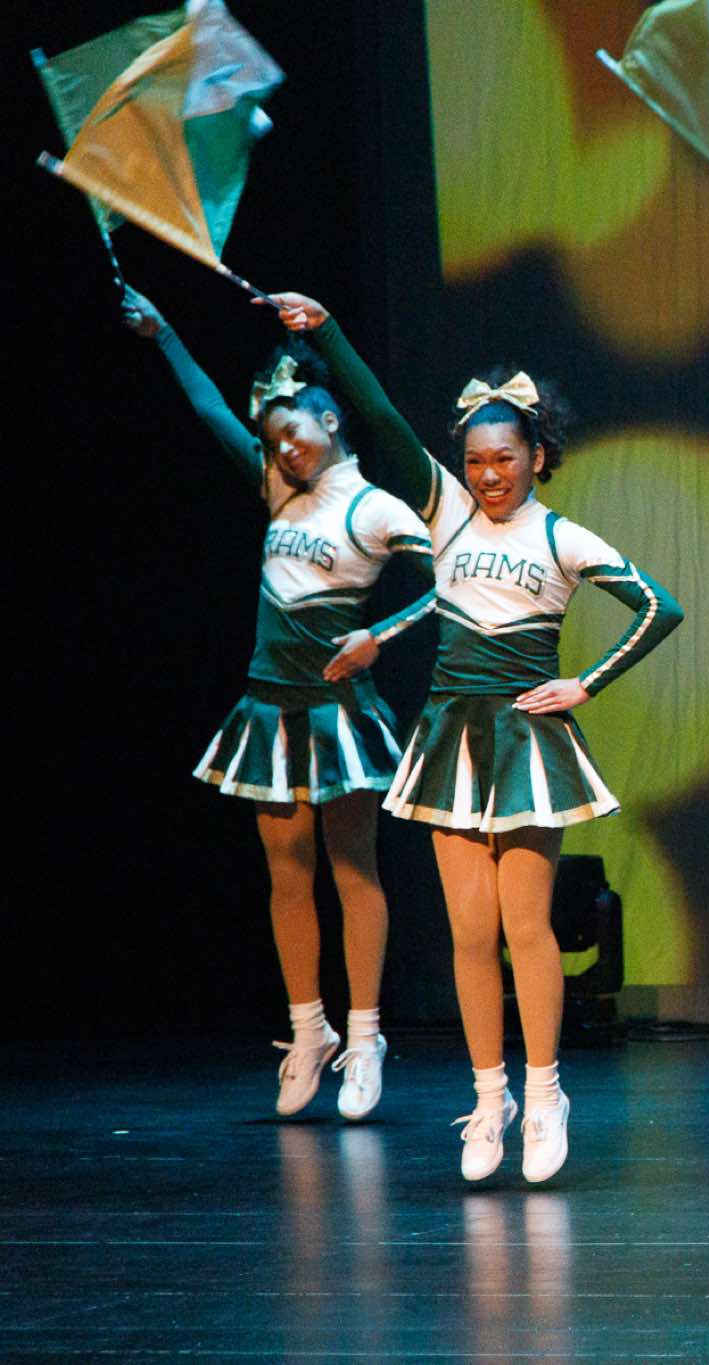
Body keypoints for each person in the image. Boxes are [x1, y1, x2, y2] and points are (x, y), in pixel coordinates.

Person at [273, 291, 684, 1183]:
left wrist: (585, 682)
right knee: (469, 930)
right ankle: (489, 1098)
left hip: (528, 742)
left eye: (505, 458)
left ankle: (545, 1092)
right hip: (450, 740)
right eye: (476, 460)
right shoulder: (447, 511)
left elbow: (661, 606)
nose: (490, 474)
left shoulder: (564, 536)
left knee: (526, 925)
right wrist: (328, 332)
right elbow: (380, 417)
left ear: (538, 455)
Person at [123, 287, 435, 1121]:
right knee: (287, 874)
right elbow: (208, 412)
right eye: (272, 441)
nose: (283, 448)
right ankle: (309, 1030)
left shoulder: (376, 508)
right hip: (268, 710)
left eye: (293, 432)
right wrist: (165, 333)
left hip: (338, 714)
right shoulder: (274, 487)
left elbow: (449, 585)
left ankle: (364, 1037)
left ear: (329, 419)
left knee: (353, 870)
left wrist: (379, 636)